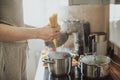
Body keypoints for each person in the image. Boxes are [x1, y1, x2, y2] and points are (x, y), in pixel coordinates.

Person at [0, 0, 60, 80]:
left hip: (19, 55)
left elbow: (15, 24)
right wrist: (39, 32)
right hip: (4, 57)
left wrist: (44, 32)